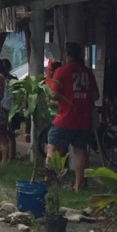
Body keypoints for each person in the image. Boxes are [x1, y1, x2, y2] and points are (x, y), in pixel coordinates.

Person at [46, 41, 99, 191]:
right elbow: (95, 95)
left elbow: (54, 95)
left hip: (65, 118)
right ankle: (78, 185)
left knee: (52, 148)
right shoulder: (87, 72)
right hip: (84, 119)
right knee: (80, 150)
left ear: (67, 54)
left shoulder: (61, 71)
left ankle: (49, 180)